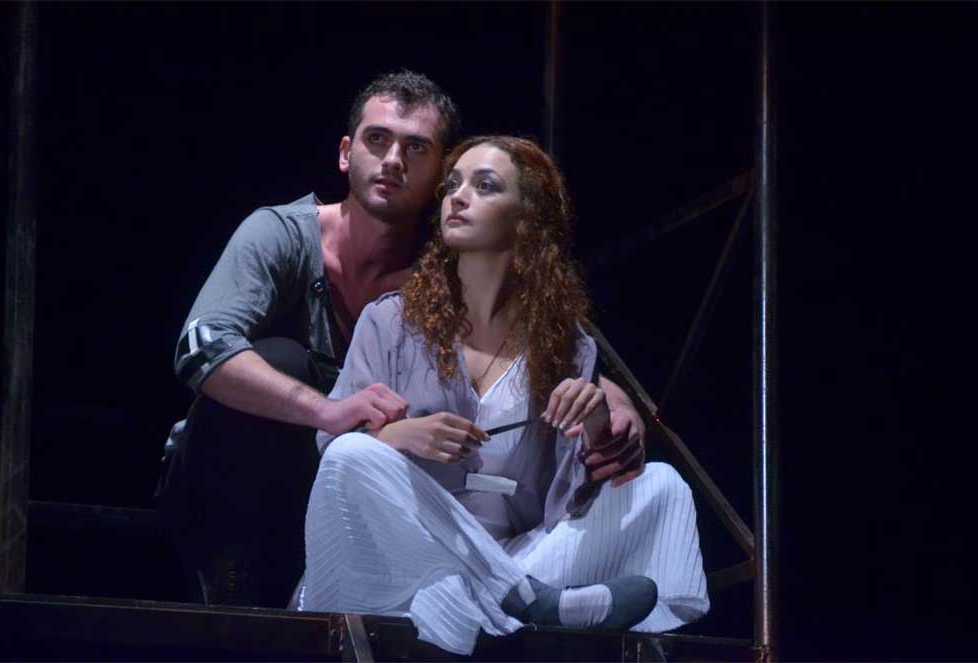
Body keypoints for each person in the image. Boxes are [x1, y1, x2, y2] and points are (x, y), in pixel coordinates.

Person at [158, 71, 647, 609]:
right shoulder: (281, 234)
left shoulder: (446, 267)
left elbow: (542, 343)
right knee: (282, 362)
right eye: (378, 140)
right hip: (250, 482)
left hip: (363, 497)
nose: (393, 160)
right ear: (346, 153)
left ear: (440, 171)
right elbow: (201, 349)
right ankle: (234, 585)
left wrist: (617, 406)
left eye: (416, 148)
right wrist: (329, 412)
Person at [299, 136, 709, 654]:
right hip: (405, 568)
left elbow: (577, 493)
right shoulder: (390, 322)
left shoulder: (565, 346)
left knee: (662, 486)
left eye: (485, 185)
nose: (458, 196)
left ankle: (492, 601)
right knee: (351, 455)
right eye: (453, 185)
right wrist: (398, 436)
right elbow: (332, 447)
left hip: (526, 558)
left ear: (526, 218)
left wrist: (596, 421)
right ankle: (516, 601)